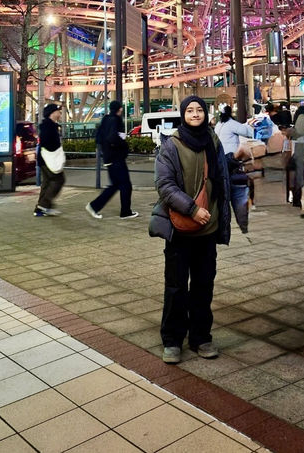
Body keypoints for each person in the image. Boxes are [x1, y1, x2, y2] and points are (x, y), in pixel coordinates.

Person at [149, 96, 231, 364]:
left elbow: (221, 177)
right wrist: (191, 209)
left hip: (208, 227)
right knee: (175, 287)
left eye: (199, 110)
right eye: (190, 110)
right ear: (182, 114)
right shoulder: (171, 145)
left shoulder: (213, 141)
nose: (195, 114)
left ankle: (201, 337)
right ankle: (172, 340)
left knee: (203, 286)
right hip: (181, 228)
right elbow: (164, 184)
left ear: (205, 114)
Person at [86, 101, 138, 220]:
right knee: (125, 185)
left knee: (115, 185)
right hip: (117, 158)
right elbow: (113, 137)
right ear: (119, 109)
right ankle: (125, 212)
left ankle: (94, 206)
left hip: (108, 157)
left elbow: (99, 138)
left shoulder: (105, 119)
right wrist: (123, 145)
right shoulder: (116, 119)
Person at [214, 105, 254, 232]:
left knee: (223, 198)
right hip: (233, 162)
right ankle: (244, 226)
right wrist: (250, 124)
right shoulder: (232, 124)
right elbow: (248, 132)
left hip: (220, 163)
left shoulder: (218, 125)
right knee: (239, 196)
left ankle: (222, 227)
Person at [34, 104, 65, 217]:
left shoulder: (49, 125)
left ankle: (40, 209)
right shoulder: (49, 126)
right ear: (52, 113)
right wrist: (56, 150)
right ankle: (44, 205)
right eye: (58, 111)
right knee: (58, 180)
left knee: (47, 183)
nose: (59, 113)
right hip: (48, 159)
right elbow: (48, 142)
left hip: (44, 159)